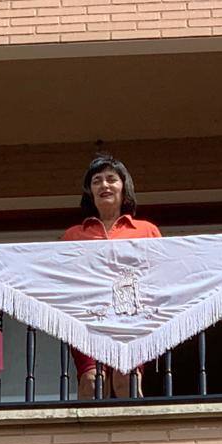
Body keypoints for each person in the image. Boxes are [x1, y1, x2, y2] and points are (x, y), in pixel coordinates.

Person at [62, 155, 161, 399]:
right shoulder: (74, 234)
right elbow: (62, 277)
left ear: (123, 188)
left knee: (126, 377)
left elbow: (161, 272)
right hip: (87, 317)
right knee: (92, 379)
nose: (104, 185)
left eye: (111, 179)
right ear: (90, 192)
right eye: (97, 181)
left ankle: (132, 435)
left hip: (132, 315)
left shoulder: (146, 230)